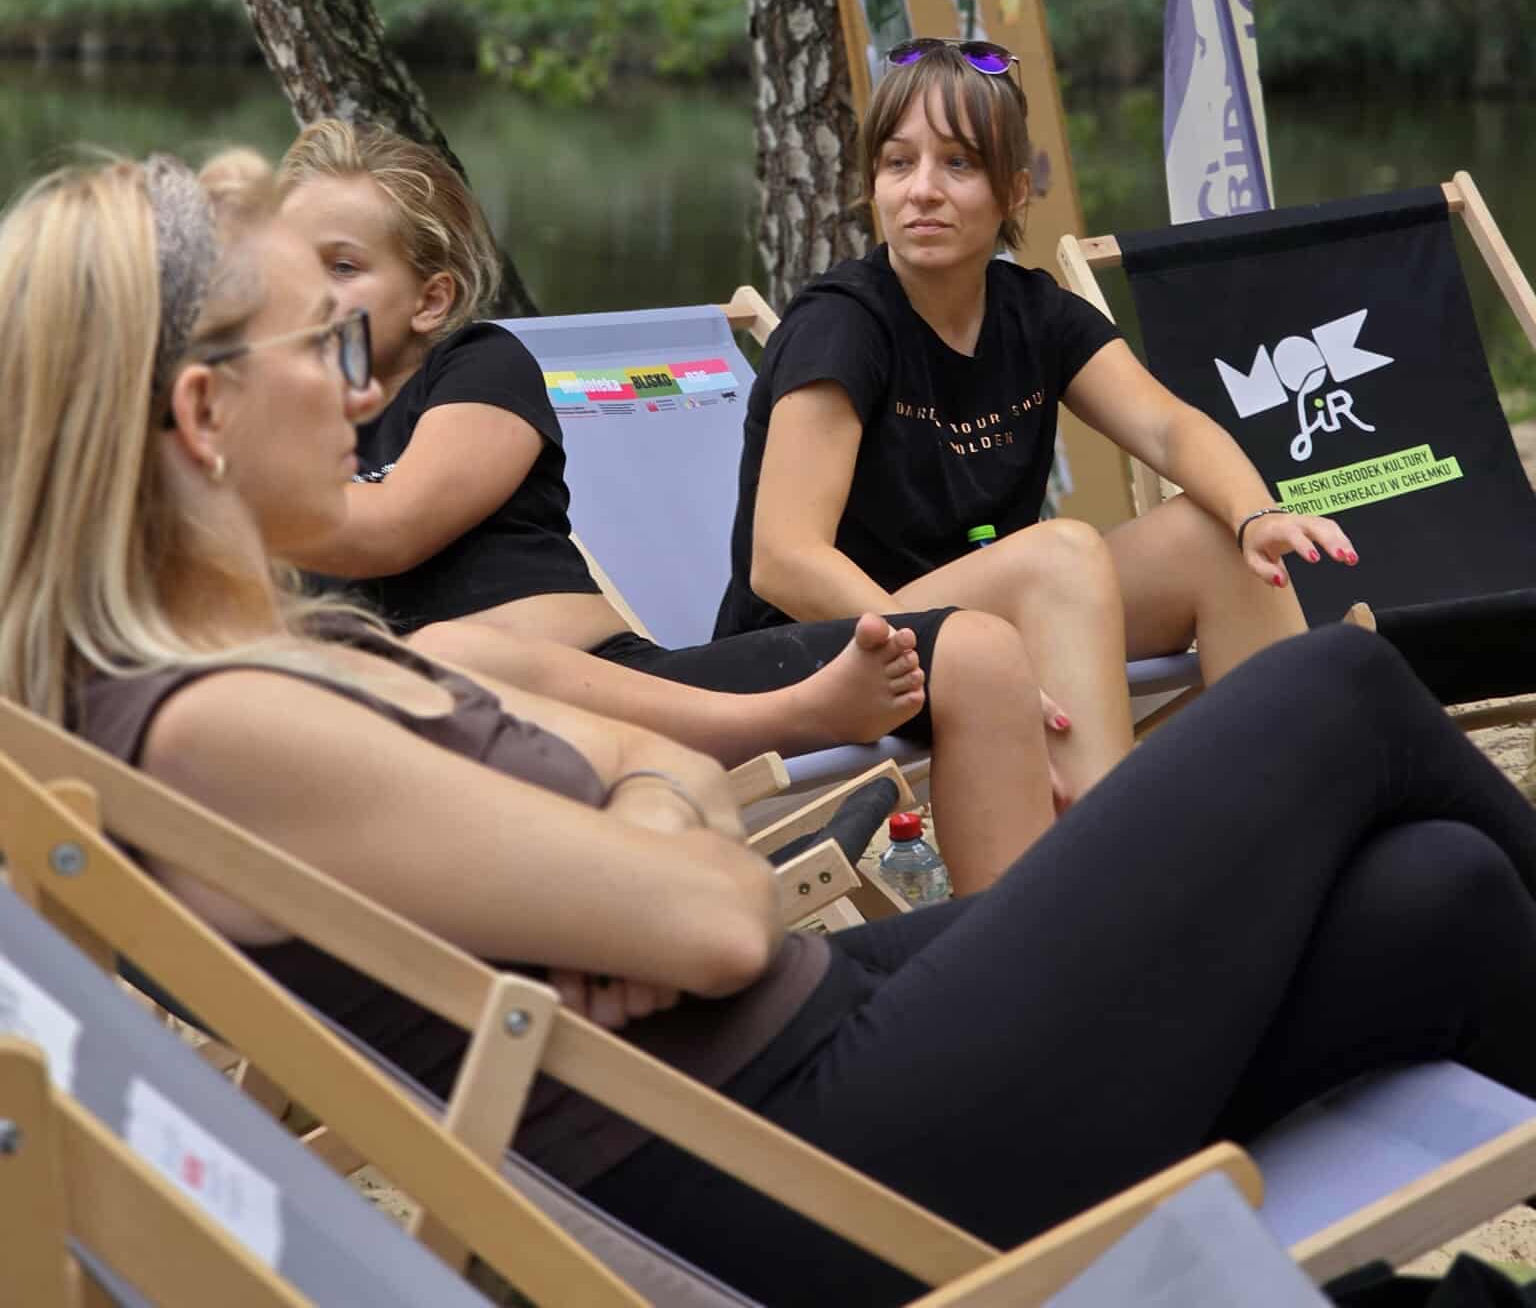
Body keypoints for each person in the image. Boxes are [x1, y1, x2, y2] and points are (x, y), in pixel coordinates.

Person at [7, 150, 1536, 1308]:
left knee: (1441, 901)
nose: (363, 398)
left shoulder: (291, 659)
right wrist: (663, 860)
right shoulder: (212, 731)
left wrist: (645, 830)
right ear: (201, 415)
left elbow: (666, 767)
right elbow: (722, 917)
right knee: (1328, 695)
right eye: (328, 353)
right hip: (807, 1162)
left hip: (818, 1060)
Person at [278, 120, 1129, 888]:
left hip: (627, 686)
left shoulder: (475, 369)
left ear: (431, 299)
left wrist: (238, 466)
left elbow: (390, 528)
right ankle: (791, 714)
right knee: (447, 657)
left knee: (976, 650)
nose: (304, 291)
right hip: (446, 749)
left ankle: (1047, 964)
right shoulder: (263, 428)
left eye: (341, 267)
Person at [714, 37, 1360, 701]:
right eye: (899, 163)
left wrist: (1257, 515)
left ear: (1014, 192)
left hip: (975, 625)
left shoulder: (1035, 313)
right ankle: (1098, 776)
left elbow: (1169, 429)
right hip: (816, 656)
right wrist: (953, 657)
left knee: (1217, 536)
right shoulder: (842, 326)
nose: (923, 190)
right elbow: (784, 560)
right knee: (1060, 556)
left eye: (959, 163)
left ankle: (1293, 764)